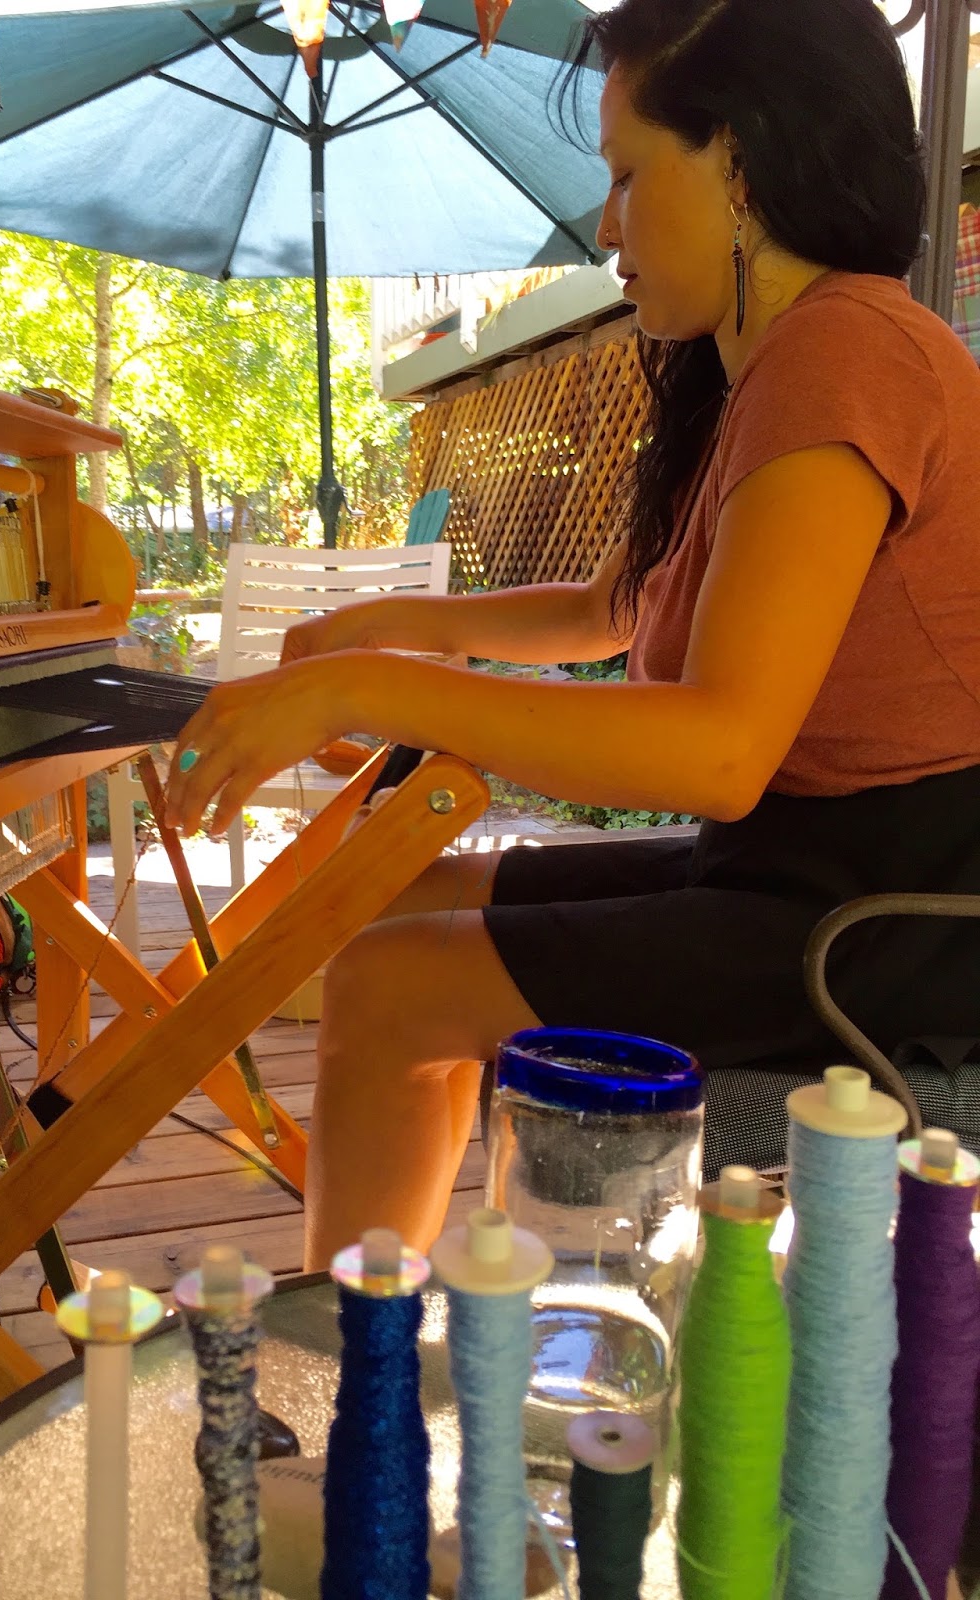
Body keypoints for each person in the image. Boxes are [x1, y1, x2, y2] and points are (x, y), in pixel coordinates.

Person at [168, 0, 980, 1270]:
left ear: (741, 164)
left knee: (389, 987)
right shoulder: (778, 366)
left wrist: (376, 688)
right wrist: (372, 633)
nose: (606, 227)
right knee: (396, 905)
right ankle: (387, 1303)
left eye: (624, 176)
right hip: (806, 878)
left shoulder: (845, 351)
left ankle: (354, 1361)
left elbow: (716, 751)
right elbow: (612, 611)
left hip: (887, 929)